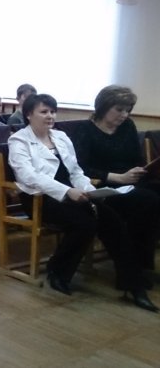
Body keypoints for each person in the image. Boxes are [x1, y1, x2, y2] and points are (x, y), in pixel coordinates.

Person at [8, 94, 158, 311]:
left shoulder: (61, 137)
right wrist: (67, 191)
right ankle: (58, 271)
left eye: (52, 111)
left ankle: (132, 285)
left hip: (73, 192)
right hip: (39, 198)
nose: (50, 116)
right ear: (29, 114)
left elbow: (76, 171)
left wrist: (90, 191)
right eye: (44, 112)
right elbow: (29, 176)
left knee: (112, 220)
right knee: (85, 223)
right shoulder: (19, 140)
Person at [73, 86, 160, 307]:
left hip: (130, 183)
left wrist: (140, 170)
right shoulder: (84, 130)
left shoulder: (127, 126)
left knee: (152, 200)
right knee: (148, 203)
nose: (124, 115)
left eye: (128, 110)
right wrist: (118, 177)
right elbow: (81, 168)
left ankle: (139, 267)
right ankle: (136, 270)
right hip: (104, 186)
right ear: (103, 107)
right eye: (119, 109)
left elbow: (136, 158)